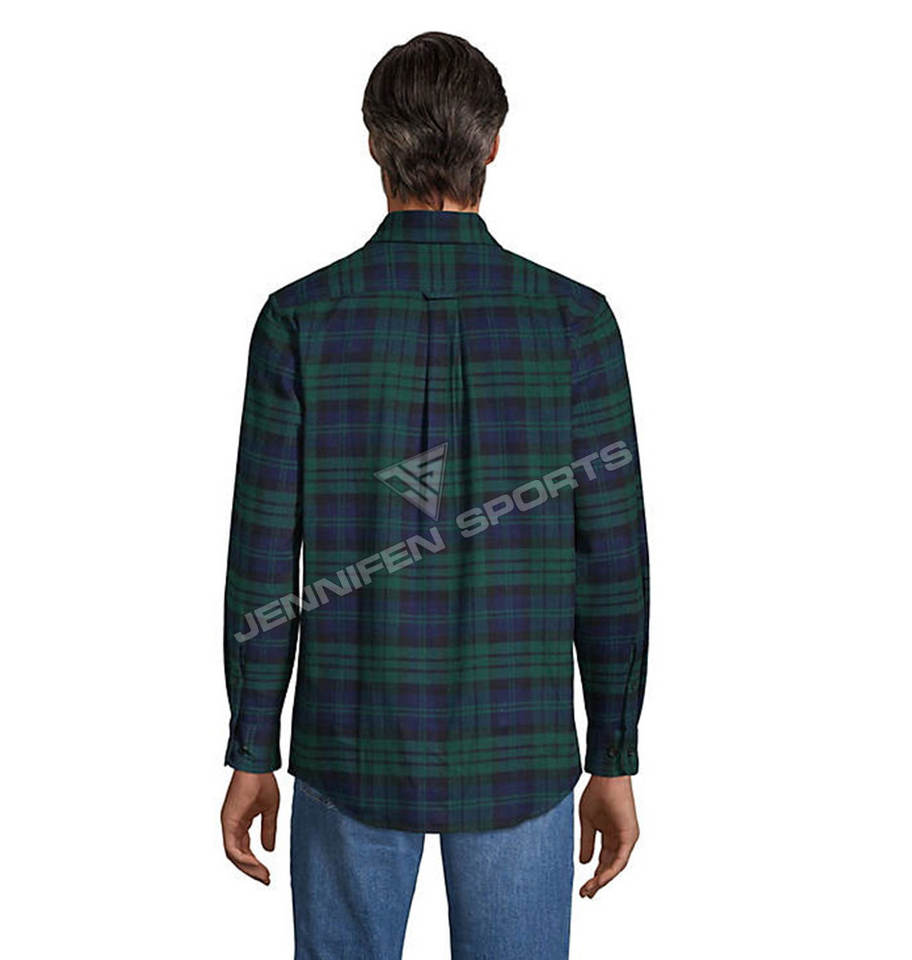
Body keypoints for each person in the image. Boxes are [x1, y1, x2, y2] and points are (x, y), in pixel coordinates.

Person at [219, 30, 650, 960]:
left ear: (375, 144)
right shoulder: (575, 324)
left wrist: (253, 745)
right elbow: (612, 562)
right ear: (493, 144)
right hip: (521, 749)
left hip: (350, 743)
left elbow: (263, 557)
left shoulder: (300, 320)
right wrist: (613, 753)